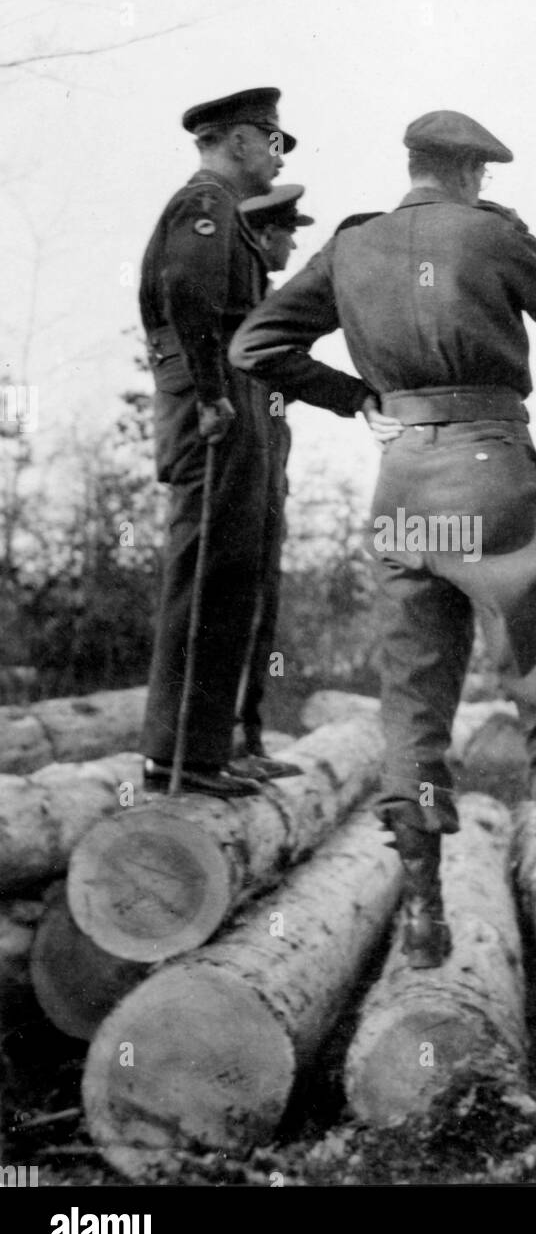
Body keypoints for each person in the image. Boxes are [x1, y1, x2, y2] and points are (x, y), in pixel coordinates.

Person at [228, 108, 536, 968]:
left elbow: (256, 343)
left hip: (404, 484)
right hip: (493, 475)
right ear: (473, 174)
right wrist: (516, 236)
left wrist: (358, 399)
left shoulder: (352, 246)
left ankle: (424, 919)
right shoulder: (488, 235)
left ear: (412, 166)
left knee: (413, 699)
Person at [139, 89, 378, 798]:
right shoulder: (205, 206)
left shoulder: (220, 214)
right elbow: (185, 292)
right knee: (207, 576)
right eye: (272, 142)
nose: (276, 157)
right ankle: (177, 757)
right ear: (240, 141)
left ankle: (209, 749)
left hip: (234, 405)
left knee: (233, 576)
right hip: (214, 409)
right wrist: (212, 397)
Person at [231, 186, 315, 776]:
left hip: (267, 469)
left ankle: (248, 739)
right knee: (239, 604)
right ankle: (233, 741)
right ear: (263, 237)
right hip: (245, 466)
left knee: (261, 603)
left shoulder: (268, 300)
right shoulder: (247, 306)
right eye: (287, 232)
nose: (293, 241)